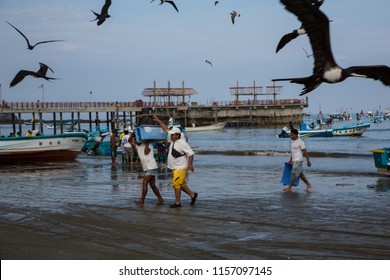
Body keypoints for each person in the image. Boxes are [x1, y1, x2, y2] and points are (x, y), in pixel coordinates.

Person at [154, 114, 198, 208]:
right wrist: (158, 120)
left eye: (172, 134)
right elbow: (165, 128)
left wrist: (190, 165)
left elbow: (191, 153)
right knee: (181, 184)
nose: (171, 135)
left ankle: (178, 202)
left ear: (177, 135)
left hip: (180, 167)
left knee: (176, 184)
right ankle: (192, 195)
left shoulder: (182, 143)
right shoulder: (173, 140)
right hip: (175, 167)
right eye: (171, 134)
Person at [132, 140, 164, 205]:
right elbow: (129, 141)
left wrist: (147, 142)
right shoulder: (138, 146)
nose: (136, 141)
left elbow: (146, 152)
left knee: (144, 183)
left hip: (151, 166)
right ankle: (160, 199)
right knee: (152, 185)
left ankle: (142, 200)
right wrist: (133, 133)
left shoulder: (149, 145)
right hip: (147, 168)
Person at [283, 128, 312, 192]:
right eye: (290, 135)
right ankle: (308, 184)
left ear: (296, 135)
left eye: (292, 135)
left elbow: (305, 152)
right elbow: (292, 151)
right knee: (299, 174)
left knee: (293, 174)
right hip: (294, 160)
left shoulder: (301, 142)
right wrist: (290, 159)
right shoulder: (292, 141)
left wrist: (308, 160)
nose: (290, 136)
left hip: (299, 160)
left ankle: (289, 188)